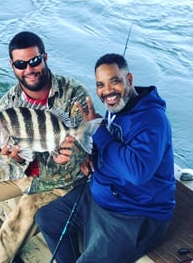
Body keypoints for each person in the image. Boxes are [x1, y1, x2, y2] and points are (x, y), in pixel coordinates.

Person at [0, 31, 91, 263]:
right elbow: (15, 157)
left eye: (34, 61)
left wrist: (70, 156)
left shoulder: (74, 93)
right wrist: (17, 159)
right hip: (23, 172)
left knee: (23, 214)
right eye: (21, 64)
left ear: (44, 57)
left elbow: (86, 145)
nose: (29, 69)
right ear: (12, 65)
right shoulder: (8, 103)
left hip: (61, 181)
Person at [35, 53, 176, 263]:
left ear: (129, 80)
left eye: (115, 81)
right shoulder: (118, 106)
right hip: (101, 195)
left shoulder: (153, 119)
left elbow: (137, 172)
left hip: (135, 212)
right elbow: (111, 144)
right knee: (47, 219)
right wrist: (89, 155)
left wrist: (99, 130)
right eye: (100, 84)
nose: (107, 91)